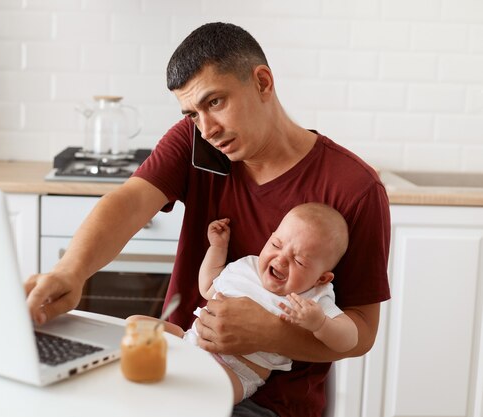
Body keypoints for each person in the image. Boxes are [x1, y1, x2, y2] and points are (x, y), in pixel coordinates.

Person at [25, 22, 391, 417]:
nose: (207, 128)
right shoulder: (194, 140)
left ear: (263, 82)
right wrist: (71, 272)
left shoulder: (354, 188)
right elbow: (130, 201)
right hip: (174, 363)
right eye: (193, 113)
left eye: (215, 102)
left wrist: (270, 332)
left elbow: (362, 334)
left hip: (269, 404)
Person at [129, 203, 358, 405]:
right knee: (133, 323)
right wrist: (217, 248)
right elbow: (208, 287)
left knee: (196, 393)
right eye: (276, 244)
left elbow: (349, 339)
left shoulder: (314, 298)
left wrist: (319, 324)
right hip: (191, 342)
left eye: (298, 261)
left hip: (236, 373)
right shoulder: (248, 265)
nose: (280, 259)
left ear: (321, 278)